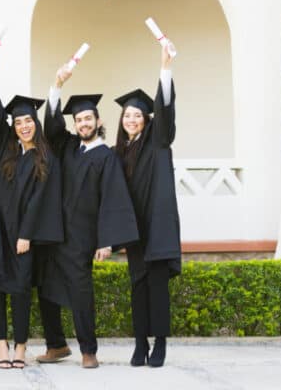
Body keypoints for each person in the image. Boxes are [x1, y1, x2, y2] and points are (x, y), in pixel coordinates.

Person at [36, 67, 139, 369]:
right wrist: (56, 86)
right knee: (46, 288)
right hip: (54, 231)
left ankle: (88, 350)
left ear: (98, 121)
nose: (83, 123)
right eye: (79, 120)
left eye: (88, 119)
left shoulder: (106, 157)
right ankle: (55, 345)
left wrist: (106, 241)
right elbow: (52, 129)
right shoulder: (68, 147)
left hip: (82, 236)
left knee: (81, 292)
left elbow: (113, 199)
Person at [0, 52, 63, 370]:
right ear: (12, 126)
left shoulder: (44, 158)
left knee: (21, 291)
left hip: (23, 237)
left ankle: (21, 346)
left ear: (35, 124)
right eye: (18, 122)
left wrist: (27, 232)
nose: (24, 126)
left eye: (29, 121)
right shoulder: (3, 150)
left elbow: (41, 199)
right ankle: (1, 346)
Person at [114, 41, 180, 368]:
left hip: (157, 225)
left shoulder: (157, 140)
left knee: (157, 287)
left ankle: (161, 345)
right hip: (134, 229)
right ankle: (140, 343)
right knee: (137, 287)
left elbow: (165, 113)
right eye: (127, 115)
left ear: (147, 119)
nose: (131, 119)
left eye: (137, 115)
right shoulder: (120, 153)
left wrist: (165, 67)